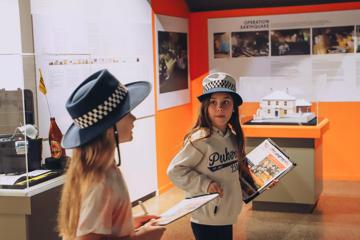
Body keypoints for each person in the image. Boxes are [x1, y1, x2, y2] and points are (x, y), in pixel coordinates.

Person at [58, 69, 166, 240]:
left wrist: (128, 224)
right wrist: (142, 237)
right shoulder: (100, 182)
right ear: (110, 127)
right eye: (126, 113)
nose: (134, 118)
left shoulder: (104, 168)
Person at [167, 72, 245, 240]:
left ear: (234, 107)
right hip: (205, 217)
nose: (219, 108)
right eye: (213, 102)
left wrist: (261, 183)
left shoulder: (232, 137)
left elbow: (234, 173)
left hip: (226, 214)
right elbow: (175, 171)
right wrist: (206, 184)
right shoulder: (200, 139)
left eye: (226, 102)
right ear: (205, 107)